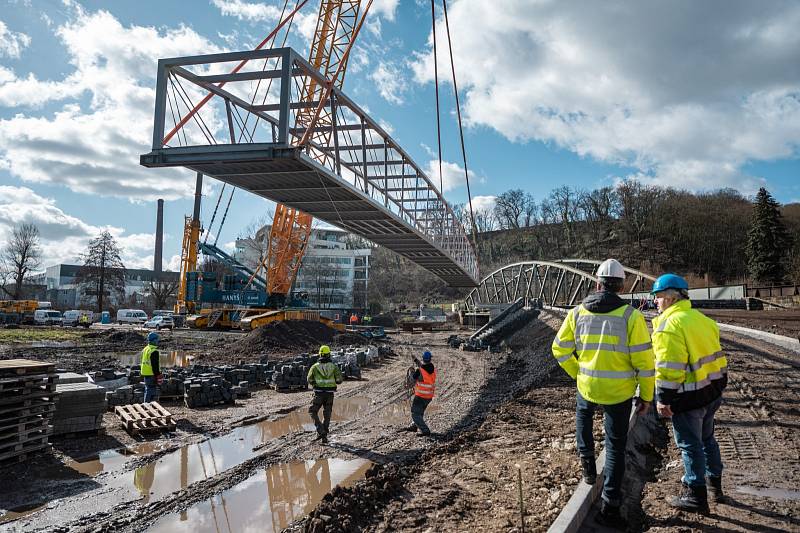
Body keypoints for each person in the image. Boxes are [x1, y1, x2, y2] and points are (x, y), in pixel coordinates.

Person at [551, 258, 655, 529]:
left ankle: (588, 467)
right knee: (616, 448)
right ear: (620, 286)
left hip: (587, 386)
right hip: (619, 392)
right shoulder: (630, 316)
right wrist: (646, 396)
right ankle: (610, 504)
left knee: (583, 422)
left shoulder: (576, 313)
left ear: (597, 284)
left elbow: (559, 349)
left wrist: (578, 372)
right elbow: (645, 363)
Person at [651, 273, 728, 513]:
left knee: (690, 445)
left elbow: (668, 369)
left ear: (672, 298)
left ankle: (696, 495)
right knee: (707, 440)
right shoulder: (701, 319)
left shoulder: (669, 326)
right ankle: (715, 486)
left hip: (689, 397)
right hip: (712, 391)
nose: (655, 301)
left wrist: (663, 399)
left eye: (659, 296)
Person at [307, 345, 344, 443]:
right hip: (330, 394)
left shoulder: (314, 367)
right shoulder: (334, 367)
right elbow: (339, 380)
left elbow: (309, 379)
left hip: (318, 393)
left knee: (312, 411)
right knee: (327, 414)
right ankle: (324, 436)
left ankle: (320, 430)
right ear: (329, 355)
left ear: (320, 354)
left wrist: (316, 384)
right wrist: (332, 381)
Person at [403, 350, 436, 436]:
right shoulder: (431, 368)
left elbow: (412, 380)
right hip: (429, 396)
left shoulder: (419, 371)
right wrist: (415, 360)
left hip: (421, 396)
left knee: (415, 413)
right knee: (419, 412)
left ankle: (425, 430)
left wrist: (412, 372)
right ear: (430, 359)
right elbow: (423, 367)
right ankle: (414, 425)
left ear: (423, 359)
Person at [140, 332, 163, 403]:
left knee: (148, 389)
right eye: (157, 340)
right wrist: (158, 375)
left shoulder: (145, 349)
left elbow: (142, 360)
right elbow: (155, 365)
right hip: (151, 373)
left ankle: (146, 405)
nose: (158, 341)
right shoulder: (154, 351)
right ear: (154, 340)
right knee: (151, 390)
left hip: (145, 373)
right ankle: (147, 406)